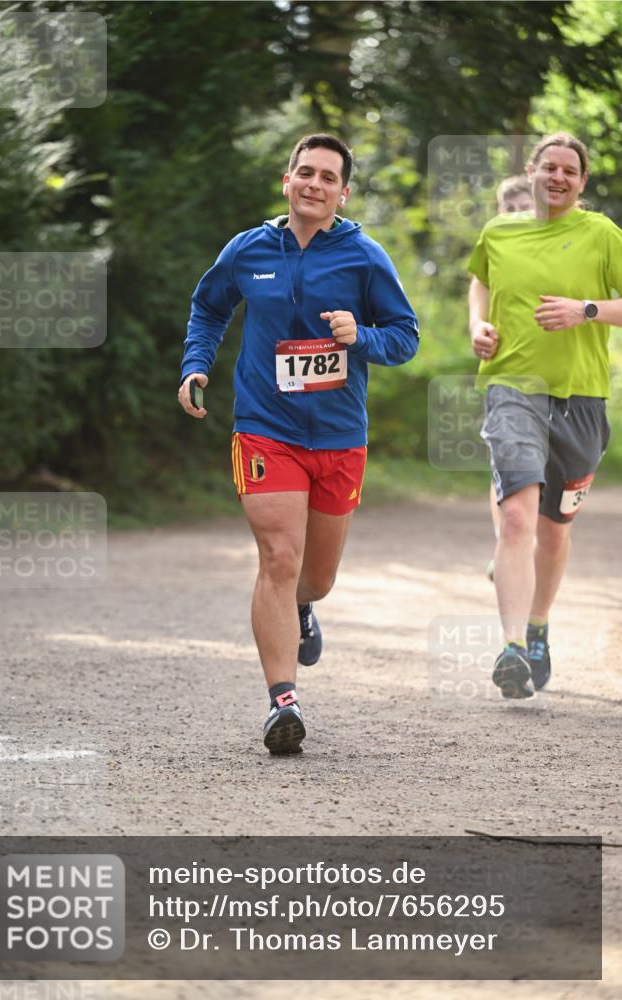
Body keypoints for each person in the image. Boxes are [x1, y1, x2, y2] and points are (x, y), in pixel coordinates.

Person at [179, 134, 419, 752]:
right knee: (278, 559)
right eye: (304, 172)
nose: (314, 184)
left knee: (315, 577)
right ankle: (282, 703)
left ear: (343, 191)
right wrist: (196, 364)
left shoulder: (364, 256)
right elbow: (208, 308)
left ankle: (306, 608)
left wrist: (359, 336)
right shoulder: (249, 249)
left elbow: (404, 337)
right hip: (266, 427)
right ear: (287, 180)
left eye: (327, 177)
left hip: (339, 436)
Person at [468, 131, 622, 698]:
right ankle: (511, 647)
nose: (557, 177)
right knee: (516, 518)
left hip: (580, 399)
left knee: (554, 534)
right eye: (549, 167)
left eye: (570, 171)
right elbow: (480, 280)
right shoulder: (499, 231)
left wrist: (587, 310)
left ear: (581, 183)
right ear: (531, 171)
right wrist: (477, 327)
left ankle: (537, 627)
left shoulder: (601, 234)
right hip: (512, 387)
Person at [485, 175, 536, 581]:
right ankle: (506, 538)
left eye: (525, 208)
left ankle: (523, 537)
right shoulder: (495, 245)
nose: (517, 215)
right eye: (510, 209)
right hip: (506, 374)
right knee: (504, 467)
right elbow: (478, 286)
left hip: (562, 381)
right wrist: (476, 326)